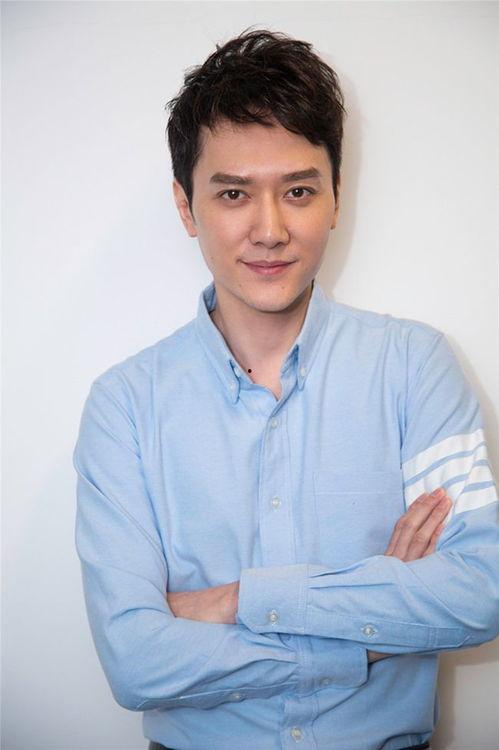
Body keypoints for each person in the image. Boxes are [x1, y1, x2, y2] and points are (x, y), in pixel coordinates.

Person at [73, 28, 499, 750]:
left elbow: (477, 594)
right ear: (186, 207)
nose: (269, 230)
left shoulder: (414, 367)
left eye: (298, 191)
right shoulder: (125, 407)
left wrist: (239, 601)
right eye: (234, 194)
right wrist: (369, 624)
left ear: (335, 198)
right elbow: (136, 663)